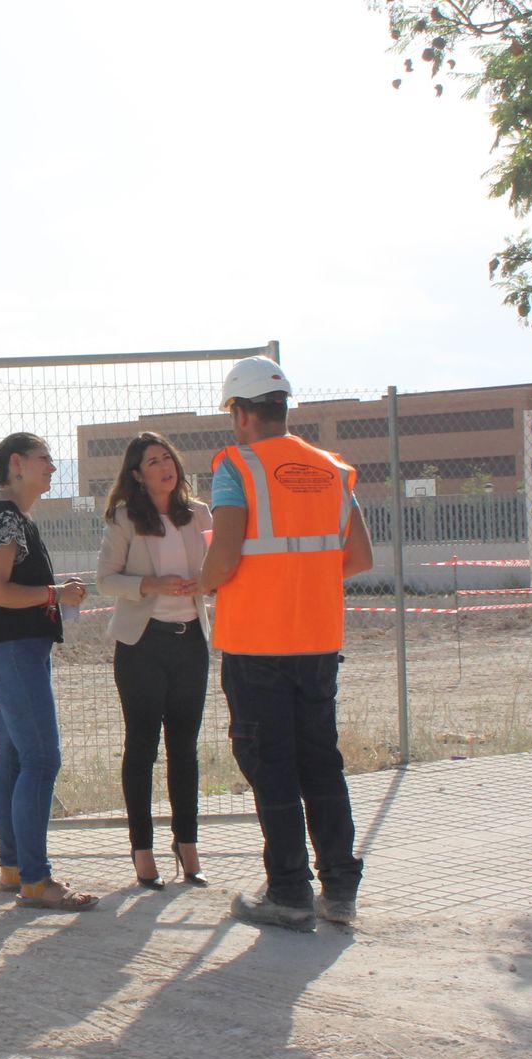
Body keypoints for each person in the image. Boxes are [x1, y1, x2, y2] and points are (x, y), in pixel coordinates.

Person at [199, 355, 374, 932]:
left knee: (271, 766)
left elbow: (223, 558)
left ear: (241, 414)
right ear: (282, 407)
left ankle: (289, 893)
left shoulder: (236, 466)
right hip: (318, 640)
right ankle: (340, 892)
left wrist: (197, 585)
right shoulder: (332, 469)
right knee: (321, 762)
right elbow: (360, 557)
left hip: (256, 644)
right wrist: (305, 585)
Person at [0, 432, 97, 911]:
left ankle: (15, 870)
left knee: (16, 761)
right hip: (12, 652)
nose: (52, 469)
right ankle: (36, 880)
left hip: (11, 651)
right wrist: (55, 594)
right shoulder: (3, 518)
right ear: (17, 464)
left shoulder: (13, 518)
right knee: (41, 760)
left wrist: (54, 594)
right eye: (45, 460)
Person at [96, 432, 213, 891]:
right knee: (142, 748)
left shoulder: (199, 514)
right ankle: (141, 849)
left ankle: (187, 844)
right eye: (153, 461)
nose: (166, 466)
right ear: (137, 474)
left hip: (191, 644)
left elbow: (217, 571)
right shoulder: (125, 518)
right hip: (142, 645)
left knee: (185, 749)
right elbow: (106, 581)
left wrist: (205, 582)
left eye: (168, 458)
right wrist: (151, 585)